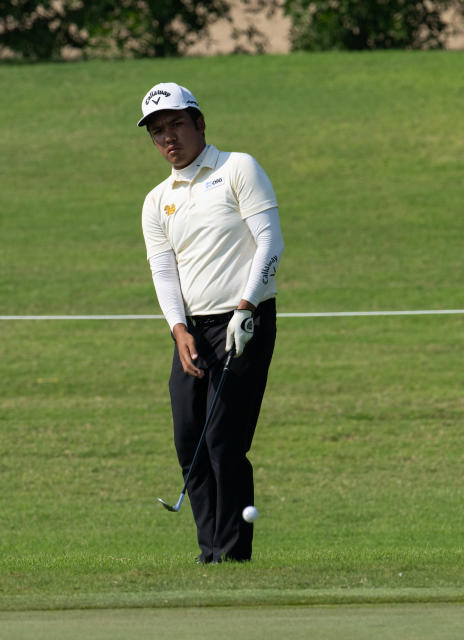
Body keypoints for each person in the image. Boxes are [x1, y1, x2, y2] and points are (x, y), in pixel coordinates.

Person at [138, 82, 284, 563]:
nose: (169, 138)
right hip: (193, 330)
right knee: (189, 439)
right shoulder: (158, 200)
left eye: (176, 124)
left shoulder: (237, 168)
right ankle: (210, 551)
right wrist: (178, 330)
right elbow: (164, 270)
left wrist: (247, 306)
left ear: (199, 122)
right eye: (158, 132)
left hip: (245, 319)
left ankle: (230, 554)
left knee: (223, 439)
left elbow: (270, 243)